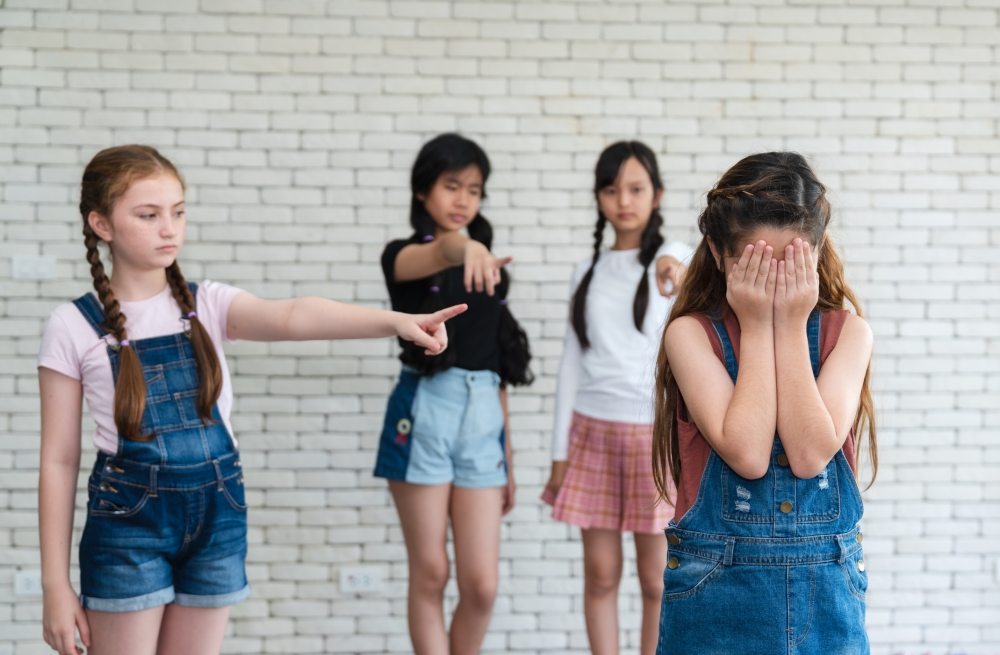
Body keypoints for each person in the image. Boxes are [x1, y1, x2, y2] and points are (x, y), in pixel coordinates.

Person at [37, 144, 465, 655]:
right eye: (148, 215)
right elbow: (58, 462)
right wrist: (54, 586)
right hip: (127, 527)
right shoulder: (72, 326)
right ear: (101, 224)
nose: (169, 228)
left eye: (178, 212)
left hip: (218, 518)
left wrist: (396, 323)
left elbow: (294, 316)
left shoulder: (208, 305)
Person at [651, 152, 877, 654]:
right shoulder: (690, 335)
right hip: (716, 595)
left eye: (791, 263)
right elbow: (749, 454)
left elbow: (810, 453)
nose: (774, 282)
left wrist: (790, 326)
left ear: (816, 252)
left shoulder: (849, 334)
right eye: (755, 264)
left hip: (827, 603)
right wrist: (757, 325)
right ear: (717, 251)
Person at [374, 133, 533, 655]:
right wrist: (468, 247)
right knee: (431, 572)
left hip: (483, 416)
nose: (463, 199)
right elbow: (441, 249)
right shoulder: (402, 257)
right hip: (423, 413)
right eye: (451, 186)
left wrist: (507, 454)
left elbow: (494, 365)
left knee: (481, 586)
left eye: (474, 189)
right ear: (423, 191)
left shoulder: (489, 270)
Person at [541, 141, 690, 655]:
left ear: (657, 194)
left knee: (656, 580)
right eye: (610, 189)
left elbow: (682, 265)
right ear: (599, 198)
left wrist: (670, 265)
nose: (623, 200)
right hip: (593, 432)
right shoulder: (586, 271)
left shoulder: (674, 262)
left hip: (653, 438)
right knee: (601, 576)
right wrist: (559, 455)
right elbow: (569, 366)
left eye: (635, 188)